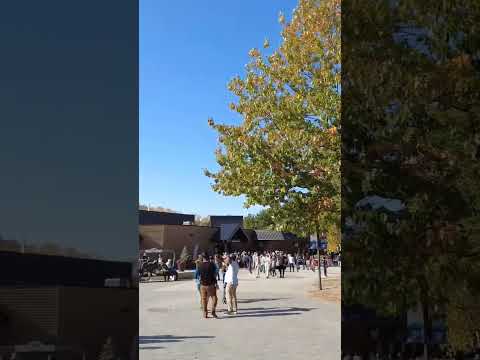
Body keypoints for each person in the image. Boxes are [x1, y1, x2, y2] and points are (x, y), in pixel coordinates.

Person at [197, 253, 219, 318]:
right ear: (208, 257)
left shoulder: (199, 265)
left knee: (204, 299)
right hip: (211, 284)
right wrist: (216, 282)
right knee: (214, 297)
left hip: (202, 284)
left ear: (203, 258)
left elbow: (198, 275)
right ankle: (213, 311)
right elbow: (215, 274)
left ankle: (205, 313)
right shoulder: (212, 264)